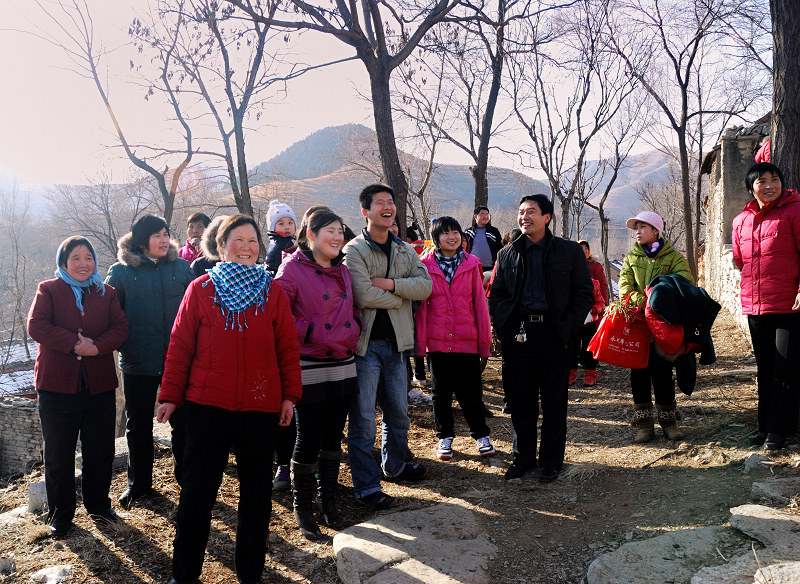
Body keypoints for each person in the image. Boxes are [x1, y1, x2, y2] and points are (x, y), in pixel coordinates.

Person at [156, 214, 301, 584]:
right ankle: (184, 575)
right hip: (207, 406)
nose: (248, 247)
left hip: (260, 405)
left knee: (256, 498)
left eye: (253, 240)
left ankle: (250, 574)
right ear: (220, 247)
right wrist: (170, 395)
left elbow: (287, 348)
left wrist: (289, 396)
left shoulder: (272, 291)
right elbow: (180, 346)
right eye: (238, 240)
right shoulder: (201, 289)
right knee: (197, 495)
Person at [27, 237, 129, 538]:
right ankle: (61, 514)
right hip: (57, 388)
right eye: (76, 257)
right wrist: (74, 345)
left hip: (98, 386)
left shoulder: (106, 292)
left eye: (88, 257)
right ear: (63, 262)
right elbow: (37, 326)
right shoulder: (49, 290)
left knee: (100, 450)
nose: (83, 263)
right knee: (59, 453)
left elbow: (121, 328)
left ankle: (99, 505)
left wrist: (96, 348)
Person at [489, 195, 592, 483]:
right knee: (521, 402)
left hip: (555, 336)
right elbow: (496, 295)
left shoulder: (569, 251)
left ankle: (551, 462)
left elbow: (583, 293)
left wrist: (567, 326)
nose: (524, 217)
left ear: (546, 217)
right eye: (521, 212)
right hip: (518, 337)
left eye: (531, 212)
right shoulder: (506, 254)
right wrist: (505, 325)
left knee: (554, 401)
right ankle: (522, 458)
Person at [343, 184, 432, 510]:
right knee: (364, 419)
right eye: (379, 202)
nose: (387, 207)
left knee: (398, 415)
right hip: (365, 349)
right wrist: (401, 298)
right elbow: (363, 294)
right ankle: (366, 486)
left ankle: (394, 466)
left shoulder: (406, 250)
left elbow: (425, 287)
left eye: (390, 202)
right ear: (365, 211)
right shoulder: (354, 250)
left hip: (397, 346)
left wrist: (392, 285)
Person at [275, 209, 360, 540]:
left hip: (342, 359)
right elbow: (278, 317)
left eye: (340, 230)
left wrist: (353, 328)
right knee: (308, 437)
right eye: (330, 231)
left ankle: (329, 500)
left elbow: (352, 309)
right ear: (310, 235)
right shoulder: (292, 269)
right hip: (309, 363)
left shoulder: (344, 270)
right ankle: (304, 508)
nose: (337, 237)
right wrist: (313, 333)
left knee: (333, 434)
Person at [105, 214, 194, 509]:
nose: (164, 239)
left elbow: (197, 311)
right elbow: (109, 315)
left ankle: (188, 480)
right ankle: (139, 485)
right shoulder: (120, 273)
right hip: (137, 362)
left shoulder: (181, 268)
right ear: (142, 240)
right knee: (138, 426)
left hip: (178, 362)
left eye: (166, 233)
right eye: (157, 235)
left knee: (183, 423)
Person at [733, 162, 800, 451]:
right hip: (756, 305)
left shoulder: (795, 211)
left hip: (790, 305)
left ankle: (779, 431)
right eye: (762, 181)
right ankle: (765, 427)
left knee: (785, 368)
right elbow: (739, 260)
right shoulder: (740, 221)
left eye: (775, 179)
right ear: (751, 188)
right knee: (765, 367)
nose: (770, 185)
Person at [415, 216, 494, 460]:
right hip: (437, 341)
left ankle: (481, 435)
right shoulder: (424, 266)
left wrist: (484, 341)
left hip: (466, 338)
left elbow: (479, 305)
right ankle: (445, 437)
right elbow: (422, 309)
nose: (452, 237)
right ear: (436, 239)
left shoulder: (472, 264)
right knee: (441, 393)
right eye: (446, 233)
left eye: (456, 232)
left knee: (471, 391)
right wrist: (420, 345)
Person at [619, 211, 693, 443]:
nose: (638, 232)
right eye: (636, 228)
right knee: (638, 374)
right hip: (639, 325)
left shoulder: (673, 258)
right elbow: (624, 288)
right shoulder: (631, 259)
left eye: (642, 227)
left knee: (662, 374)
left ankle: (669, 421)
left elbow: (685, 283)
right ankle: (644, 424)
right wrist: (643, 303)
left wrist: (661, 302)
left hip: (663, 327)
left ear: (656, 231)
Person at [272, 206, 331, 492]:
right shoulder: (287, 261)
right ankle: (287, 466)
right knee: (292, 414)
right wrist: (307, 331)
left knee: (317, 420)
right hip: (295, 352)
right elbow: (279, 311)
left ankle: (315, 471)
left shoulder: (335, 263)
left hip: (329, 355)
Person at [570, 240, 609, 387]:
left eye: (586, 248)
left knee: (590, 347)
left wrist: (599, 308)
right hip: (574, 319)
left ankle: (590, 373)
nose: (584, 251)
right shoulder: (569, 281)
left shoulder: (595, 274)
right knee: (571, 348)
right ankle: (571, 374)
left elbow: (601, 292)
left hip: (590, 318)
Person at [463, 206, 502, 279]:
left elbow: (500, 247)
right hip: (472, 266)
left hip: (490, 267)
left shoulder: (494, 231)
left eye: (487, 214)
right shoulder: (469, 232)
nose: (485, 216)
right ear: (475, 216)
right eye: (482, 214)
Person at [265, 200, 297, 274]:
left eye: (290, 223)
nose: (287, 227)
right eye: (281, 224)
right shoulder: (280, 245)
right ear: (272, 227)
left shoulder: (289, 240)